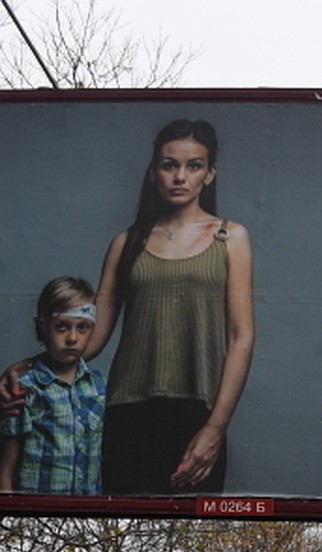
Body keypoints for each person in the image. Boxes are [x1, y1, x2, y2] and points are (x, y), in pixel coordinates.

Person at [2, 118, 253, 494]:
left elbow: (241, 337)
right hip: (126, 413)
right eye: (169, 165)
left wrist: (216, 428)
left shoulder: (230, 238)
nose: (180, 176)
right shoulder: (126, 243)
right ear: (154, 172)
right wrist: (23, 368)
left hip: (198, 414)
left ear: (210, 173)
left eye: (194, 165)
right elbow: (93, 333)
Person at [0, 277, 106, 496]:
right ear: (43, 327)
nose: (72, 337)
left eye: (82, 327)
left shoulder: (98, 386)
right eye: (62, 327)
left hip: (86, 511)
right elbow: (7, 465)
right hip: (36, 508)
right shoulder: (26, 385)